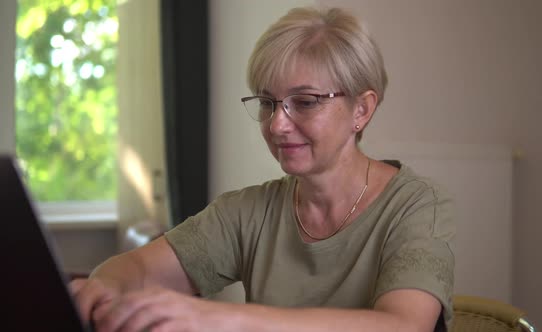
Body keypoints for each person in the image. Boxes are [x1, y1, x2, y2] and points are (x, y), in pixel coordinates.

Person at [71, 6, 455, 332]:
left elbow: (402, 326)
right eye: (268, 103)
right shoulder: (247, 212)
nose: (276, 125)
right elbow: (134, 268)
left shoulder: (417, 205)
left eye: (304, 102)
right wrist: (102, 288)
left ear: (362, 109)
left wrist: (225, 318)